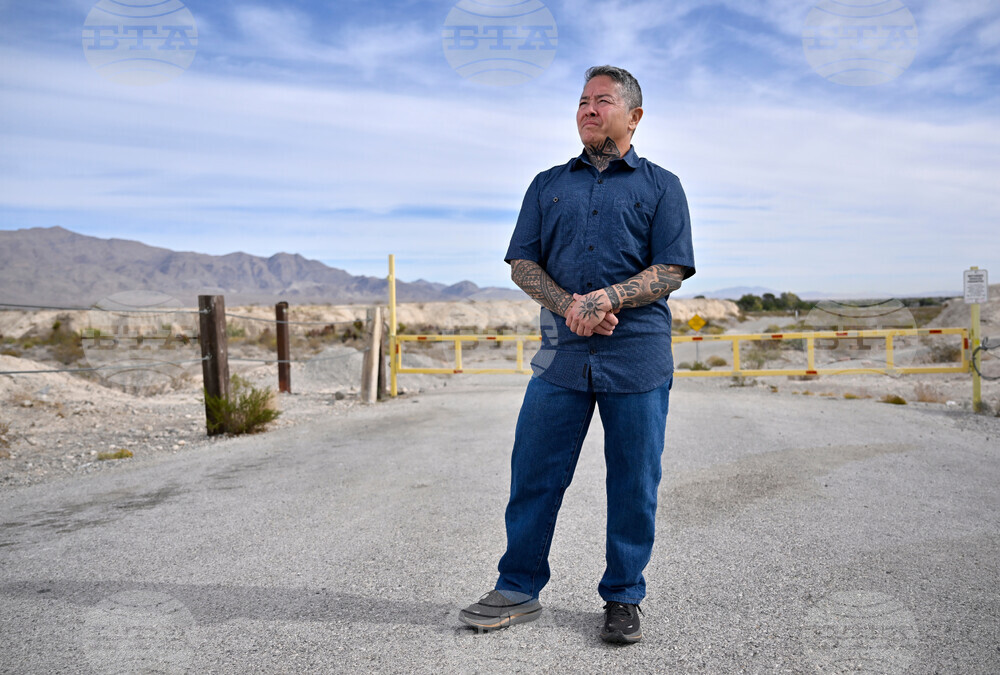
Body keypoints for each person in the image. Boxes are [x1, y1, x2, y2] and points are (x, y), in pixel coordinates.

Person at [458, 65, 696, 643]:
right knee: (534, 472)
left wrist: (610, 297)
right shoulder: (547, 184)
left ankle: (622, 595)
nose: (588, 109)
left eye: (603, 101)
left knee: (633, 481)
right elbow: (521, 262)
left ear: (634, 116)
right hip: (561, 356)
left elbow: (672, 268)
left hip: (636, 356)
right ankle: (517, 587)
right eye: (583, 101)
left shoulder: (662, 185)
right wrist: (571, 306)